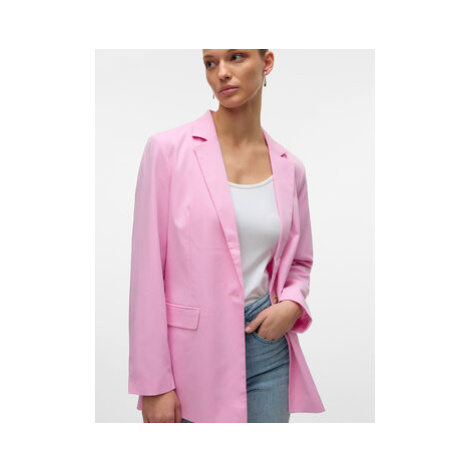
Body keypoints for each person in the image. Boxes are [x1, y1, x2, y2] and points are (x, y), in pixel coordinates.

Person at [128, 49, 325, 423]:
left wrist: (292, 303)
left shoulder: (291, 168)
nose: (221, 72)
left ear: (267, 62)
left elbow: (300, 261)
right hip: (192, 357)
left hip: (268, 351)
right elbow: (146, 273)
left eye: (236, 57)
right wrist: (153, 383)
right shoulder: (167, 151)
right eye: (210, 62)